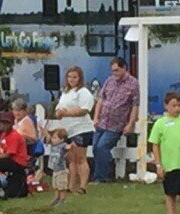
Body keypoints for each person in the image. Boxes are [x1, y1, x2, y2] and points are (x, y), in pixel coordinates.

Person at [91, 57, 138, 183]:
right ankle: (99, 175)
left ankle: (103, 177)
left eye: (117, 70)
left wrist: (130, 123)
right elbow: (100, 100)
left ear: (124, 68)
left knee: (102, 147)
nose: (114, 73)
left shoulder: (133, 84)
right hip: (102, 121)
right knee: (95, 147)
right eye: (113, 71)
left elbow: (134, 105)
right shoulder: (109, 81)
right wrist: (96, 117)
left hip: (116, 124)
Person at [54, 66, 95, 194]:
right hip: (69, 130)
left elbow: (84, 110)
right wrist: (59, 113)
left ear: (80, 78)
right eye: (70, 77)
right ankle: (71, 185)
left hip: (81, 129)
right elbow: (58, 109)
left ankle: (83, 186)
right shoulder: (65, 93)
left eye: (75, 77)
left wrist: (66, 113)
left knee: (80, 158)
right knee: (71, 159)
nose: (72, 79)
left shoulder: (83, 92)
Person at [0, 112, 29, 199]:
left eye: (6, 123)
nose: (3, 125)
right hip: (11, 160)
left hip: (18, 162)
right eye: (2, 122)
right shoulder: (3, 135)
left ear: (11, 124)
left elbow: (9, 154)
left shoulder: (14, 135)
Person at [46, 127, 70, 206]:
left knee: (61, 186)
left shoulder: (62, 145)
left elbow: (67, 147)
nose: (52, 139)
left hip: (61, 170)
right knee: (55, 186)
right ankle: (56, 198)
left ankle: (62, 200)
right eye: (52, 137)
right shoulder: (53, 145)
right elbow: (47, 137)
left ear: (62, 139)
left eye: (55, 138)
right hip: (55, 170)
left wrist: (69, 147)